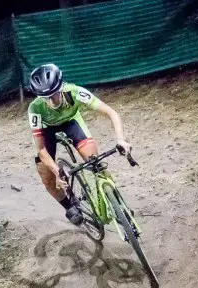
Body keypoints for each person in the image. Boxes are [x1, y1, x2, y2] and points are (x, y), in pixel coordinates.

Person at [28, 64, 131, 226]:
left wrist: (121, 139)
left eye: (53, 95)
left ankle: (117, 204)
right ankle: (70, 205)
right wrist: (56, 172)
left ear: (61, 87)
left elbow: (112, 113)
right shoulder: (35, 108)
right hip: (47, 129)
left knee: (95, 161)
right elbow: (41, 149)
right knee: (46, 174)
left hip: (71, 122)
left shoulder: (74, 91)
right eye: (44, 97)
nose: (50, 101)